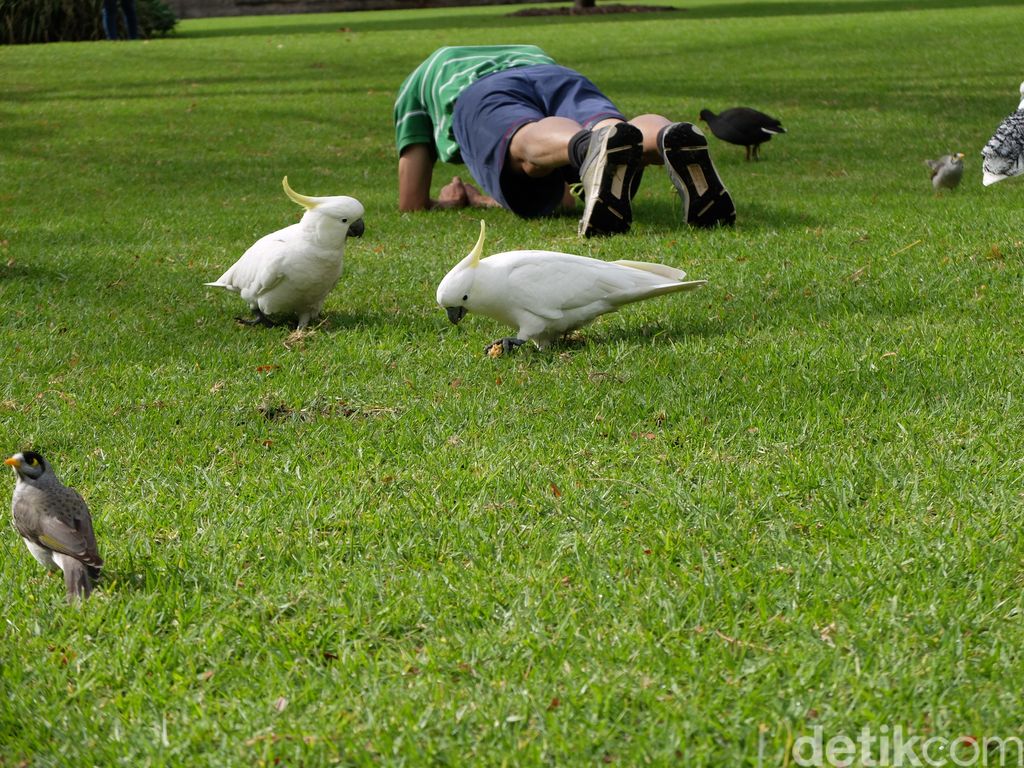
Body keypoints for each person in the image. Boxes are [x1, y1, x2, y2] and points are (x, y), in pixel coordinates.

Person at [394, 44, 736, 237]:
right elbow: (564, 197)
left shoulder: (423, 77)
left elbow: (411, 202)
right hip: (555, 73)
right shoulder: (526, 50)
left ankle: (588, 146)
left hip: (482, 92)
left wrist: (463, 198)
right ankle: (666, 135)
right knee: (610, 125)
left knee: (525, 146)